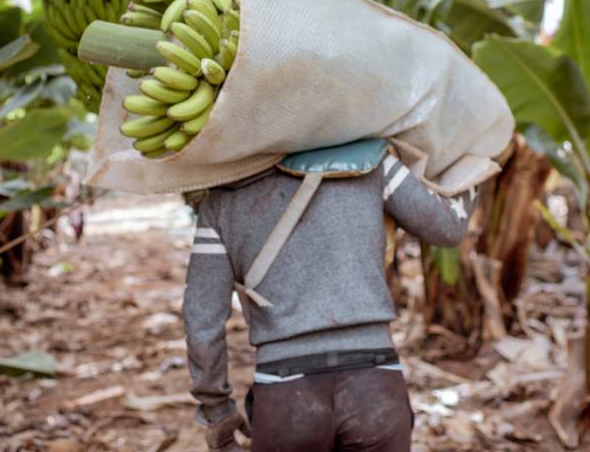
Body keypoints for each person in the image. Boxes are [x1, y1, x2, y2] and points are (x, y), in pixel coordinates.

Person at [182, 140, 477, 452]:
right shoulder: (371, 163)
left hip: (285, 396)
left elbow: (201, 319)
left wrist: (217, 410)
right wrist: (475, 165)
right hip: (375, 388)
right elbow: (448, 227)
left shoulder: (222, 201)